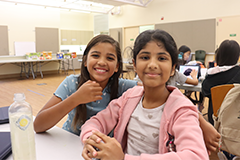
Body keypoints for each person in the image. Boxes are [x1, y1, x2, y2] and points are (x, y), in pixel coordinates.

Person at [80, 29, 209, 160]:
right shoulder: (129, 98)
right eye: (145, 57)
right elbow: (96, 122)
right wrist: (92, 140)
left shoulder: (181, 110)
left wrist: (123, 159)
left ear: (172, 69)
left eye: (162, 58)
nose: (152, 64)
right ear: (134, 65)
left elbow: (196, 156)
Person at [34, 34, 139, 135]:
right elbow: (38, 125)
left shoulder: (123, 87)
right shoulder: (72, 83)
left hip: (102, 149)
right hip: (70, 146)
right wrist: (76, 98)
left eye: (110, 58)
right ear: (85, 61)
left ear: (117, 66)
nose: (102, 62)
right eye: (96, 55)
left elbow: (150, 89)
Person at [202, 39, 240, 126]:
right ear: (237, 56)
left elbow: (205, 91)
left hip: (214, 119)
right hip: (235, 120)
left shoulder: (211, 75)